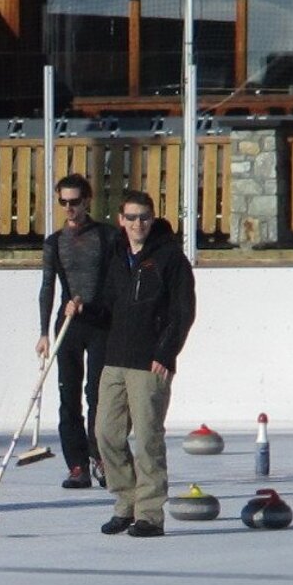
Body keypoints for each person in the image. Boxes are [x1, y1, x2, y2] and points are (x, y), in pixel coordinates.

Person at [65, 190, 196, 537]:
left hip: (149, 363)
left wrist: (166, 354)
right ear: (121, 220)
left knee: (148, 439)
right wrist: (84, 310)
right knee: (105, 433)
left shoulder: (170, 259)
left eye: (145, 217)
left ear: (152, 219)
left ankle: (149, 514)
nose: (138, 224)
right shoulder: (119, 256)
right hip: (115, 359)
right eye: (132, 217)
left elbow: (182, 313)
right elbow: (108, 306)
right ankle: (125, 503)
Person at [37, 173, 120, 490]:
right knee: (68, 396)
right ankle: (76, 465)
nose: (69, 208)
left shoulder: (108, 236)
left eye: (75, 202)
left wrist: (95, 307)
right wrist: (44, 332)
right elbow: (47, 286)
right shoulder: (54, 242)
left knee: (98, 396)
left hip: (99, 323)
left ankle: (100, 458)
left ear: (87, 201)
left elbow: (115, 284)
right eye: (63, 203)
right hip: (68, 325)